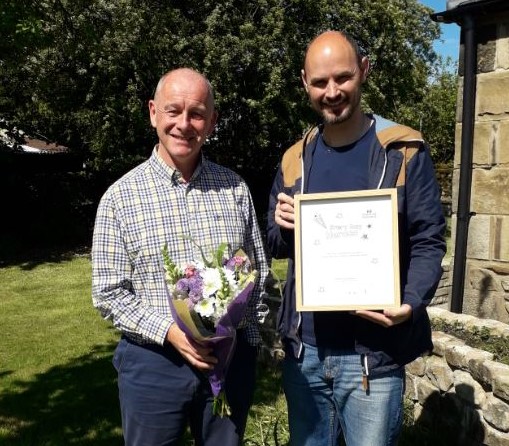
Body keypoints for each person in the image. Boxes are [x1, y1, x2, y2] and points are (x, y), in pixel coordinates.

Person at [267, 31, 446, 446]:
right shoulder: (295, 158)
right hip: (305, 353)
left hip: (373, 356)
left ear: (363, 71)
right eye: (319, 82)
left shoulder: (403, 150)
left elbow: (429, 238)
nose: (332, 91)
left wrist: (411, 301)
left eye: (342, 78)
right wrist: (281, 224)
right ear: (304, 83)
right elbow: (275, 245)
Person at [92, 68, 269, 446]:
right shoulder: (120, 198)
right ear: (154, 112)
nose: (184, 124)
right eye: (174, 111)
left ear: (212, 121)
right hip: (153, 365)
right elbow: (108, 293)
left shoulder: (234, 188)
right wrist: (171, 332)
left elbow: (259, 272)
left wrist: (251, 342)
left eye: (197, 113)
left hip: (228, 360)